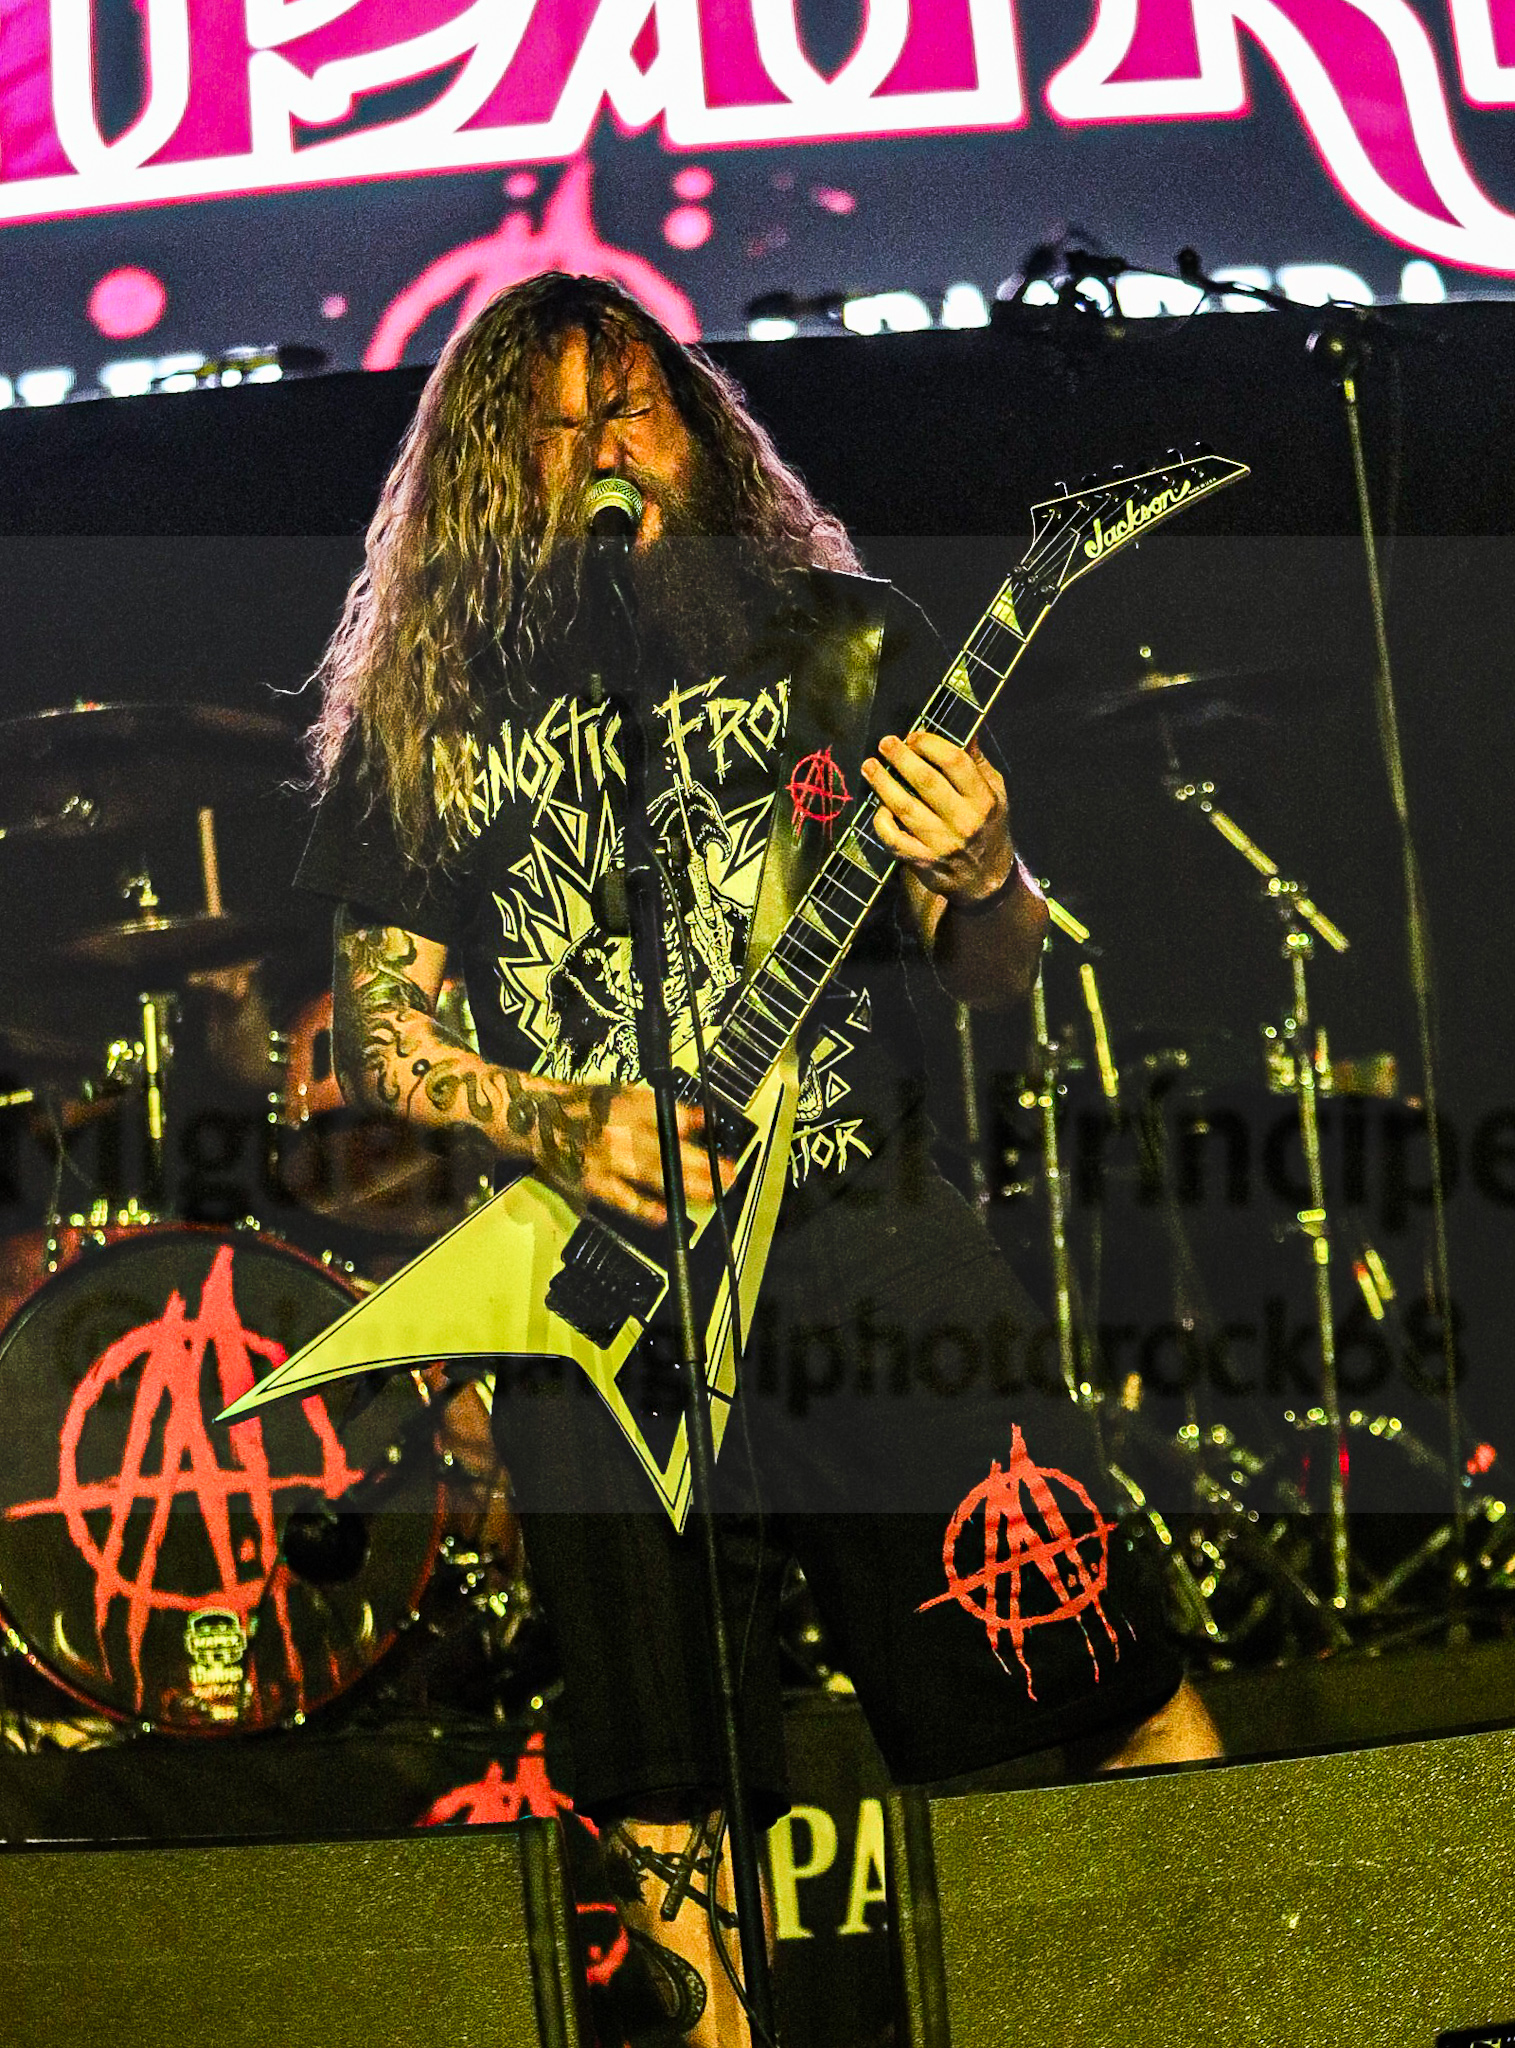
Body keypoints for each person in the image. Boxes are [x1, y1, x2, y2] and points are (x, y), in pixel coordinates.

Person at [297, 272, 1221, 2046]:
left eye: (633, 406)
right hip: (603, 1300)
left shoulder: (845, 644)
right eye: (555, 430)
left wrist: (989, 876)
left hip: (873, 1235)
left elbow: (992, 967)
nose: (604, 450)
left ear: (700, 430)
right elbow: (382, 1041)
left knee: (1099, 1663)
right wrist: (559, 1117)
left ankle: (1239, 1997)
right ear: (495, 475)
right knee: (662, 1794)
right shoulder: (429, 716)